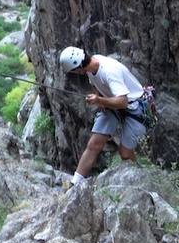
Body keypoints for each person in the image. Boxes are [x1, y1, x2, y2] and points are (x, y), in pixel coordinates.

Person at [59, 46, 147, 185]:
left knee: (125, 153)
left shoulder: (110, 71)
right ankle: (74, 183)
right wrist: (98, 96)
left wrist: (98, 100)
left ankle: (141, 179)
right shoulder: (91, 65)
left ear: (78, 68)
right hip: (112, 102)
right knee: (94, 143)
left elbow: (123, 102)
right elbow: (93, 82)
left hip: (134, 107)